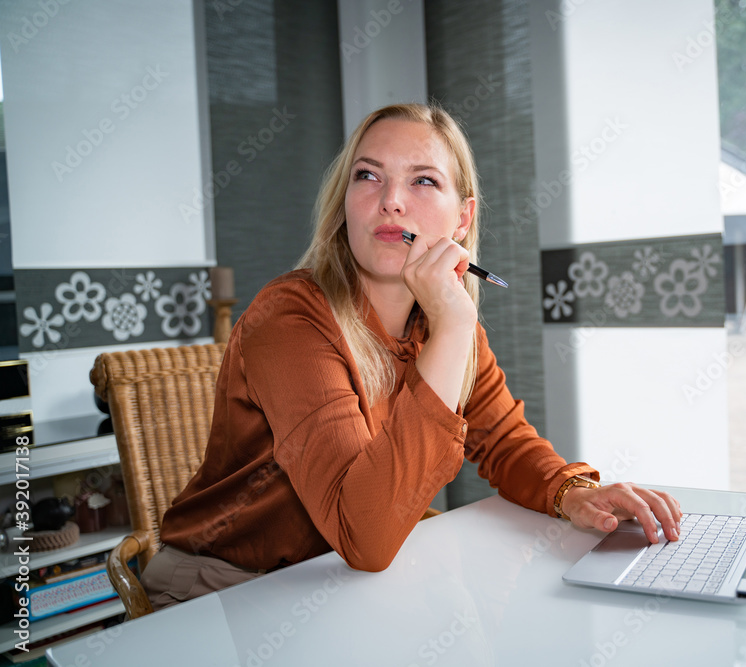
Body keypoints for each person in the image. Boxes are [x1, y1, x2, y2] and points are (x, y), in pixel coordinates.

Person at [141, 103, 682, 610]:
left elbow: (505, 443)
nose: (391, 201)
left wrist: (574, 492)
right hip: (225, 590)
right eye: (368, 175)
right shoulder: (291, 320)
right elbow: (367, 536)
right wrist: (453, 330)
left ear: (463, 220)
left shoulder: (442, 324)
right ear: (345, 203)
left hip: (337, 580)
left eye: (423, 180)